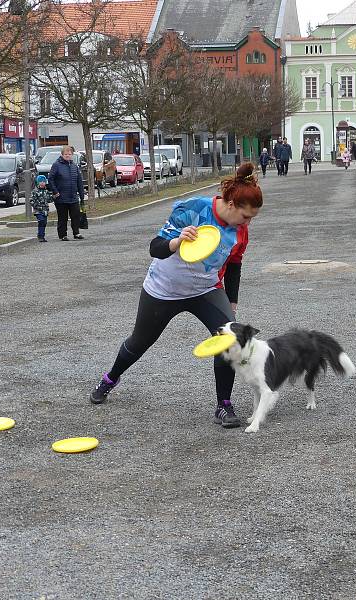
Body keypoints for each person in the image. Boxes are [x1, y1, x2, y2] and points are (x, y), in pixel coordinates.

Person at [89, 163, 264, 429]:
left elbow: (235, 264)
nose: (247, 223)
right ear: (230, 204)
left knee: (228, 339)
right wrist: (178, 240)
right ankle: (111, 378)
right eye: (245, 216)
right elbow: (155, 248)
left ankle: (223, 405)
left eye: (251, 218)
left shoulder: (239, 231)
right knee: (139, 342)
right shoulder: (193, 209)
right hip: (164, 289)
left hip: (205, 290)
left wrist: (232, 301)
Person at [48, 145, 85, 241]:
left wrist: (81, 195)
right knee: (62, 217)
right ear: (62, 154)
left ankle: (76, 233)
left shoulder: (74, 166)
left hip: (73, 196)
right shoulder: (56, 165)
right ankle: (62, 235)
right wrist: (55, 191)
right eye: (66, 154)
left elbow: (79, 181)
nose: (68, 156)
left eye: (69, 154)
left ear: (72, 155)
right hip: (61, 197)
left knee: (75, 216)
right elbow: (50, 179)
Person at [30, 174, 53, 242]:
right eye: (41, 182)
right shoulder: (35, 191)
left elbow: (49, 199)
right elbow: (31, 200)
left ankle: (41, 235)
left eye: (44, 181)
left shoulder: (46, 191)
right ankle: (41, 235)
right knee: (41, 221)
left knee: (44, 223)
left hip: (45, 210)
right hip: (38, 210)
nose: (42, 183)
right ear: (38, 182)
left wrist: (53, 197)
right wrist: (36, 206)